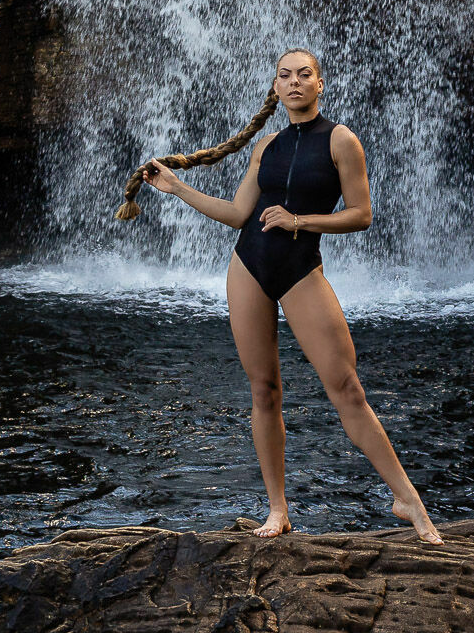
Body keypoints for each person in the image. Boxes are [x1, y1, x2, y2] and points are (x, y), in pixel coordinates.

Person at [141, 48, 444, 544]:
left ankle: (407, 498)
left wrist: (299, 221)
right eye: (286, 76)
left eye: (305, 75)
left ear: (320, 84)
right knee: (264, 391)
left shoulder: (342, 141)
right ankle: (277, 511)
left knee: (347, 387)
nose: (295, 82)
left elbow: (361, 213)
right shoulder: (265, 146)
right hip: (248, 268)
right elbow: (241, 214)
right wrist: (177, 188)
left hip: (301, 270)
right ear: (276, 87)